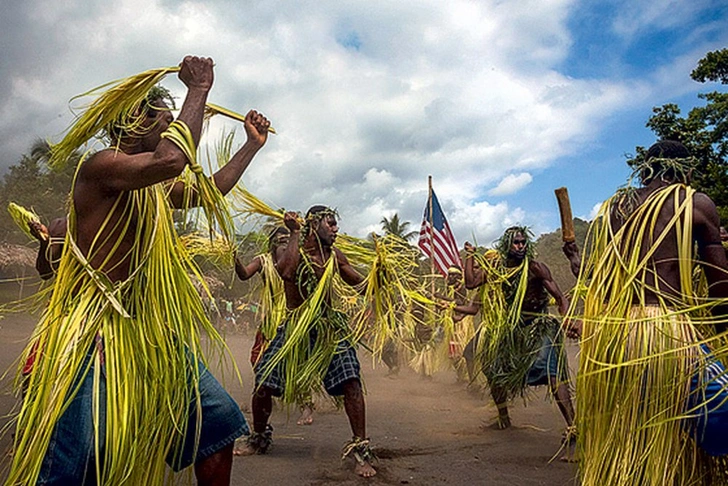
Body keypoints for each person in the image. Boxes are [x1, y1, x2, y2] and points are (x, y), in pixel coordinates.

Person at [8, 55, 271, 485]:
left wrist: (251, 145)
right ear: (133, 119)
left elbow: (211, 190)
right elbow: (170, 160)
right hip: (93, 339)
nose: (171, 127)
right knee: (78, 459)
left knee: (218, 421)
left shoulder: (154, 189)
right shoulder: (101, 168)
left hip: (149, 333)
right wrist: (199, 89)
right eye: (163, 120)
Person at [569, 140, 728, 485]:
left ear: (645, 169)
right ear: (683, 169)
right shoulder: (696, 203)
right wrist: (716, 334)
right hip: (670, 334)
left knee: (626, 429)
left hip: (618, 337)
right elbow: (721, 287)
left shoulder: (617, 207)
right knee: (690, 426)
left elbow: (603, 279)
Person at [238, 206, 377, 478]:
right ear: (315, 224)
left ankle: (360, 448)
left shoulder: (335, 256)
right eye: (332, 223)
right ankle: (258, 437)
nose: (336, 229)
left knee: (351, 382)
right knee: (264, 380)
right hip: (294, 328)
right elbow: (288, 272)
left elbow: (358, 284)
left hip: (327, 328)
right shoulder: (286, 248)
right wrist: (295, 232)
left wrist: (379, 280)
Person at [462, 227, 578, 443]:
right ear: (507, 245)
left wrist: (567, 318)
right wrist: (470, 256)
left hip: (538, 324)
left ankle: (573, 427)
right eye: (516, 243)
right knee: (493, 367)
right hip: (511, 328)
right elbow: (470, 282)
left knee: (553, 372)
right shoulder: (497, 269)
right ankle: (503, 417)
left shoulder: (535, 268)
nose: (520, 246)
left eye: (523, 242)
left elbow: (560, 298)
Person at [232, 227, 315, 429]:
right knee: (258, 360)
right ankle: (268, 396)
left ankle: (306, 405)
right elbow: (244, 274)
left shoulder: (297, 259)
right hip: (270, 320)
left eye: (288, 240)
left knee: (297, 364)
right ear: (271, 244)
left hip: (293, 319)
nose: (284, 243)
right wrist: (234, 258)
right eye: (280, 240)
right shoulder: (263, 261)